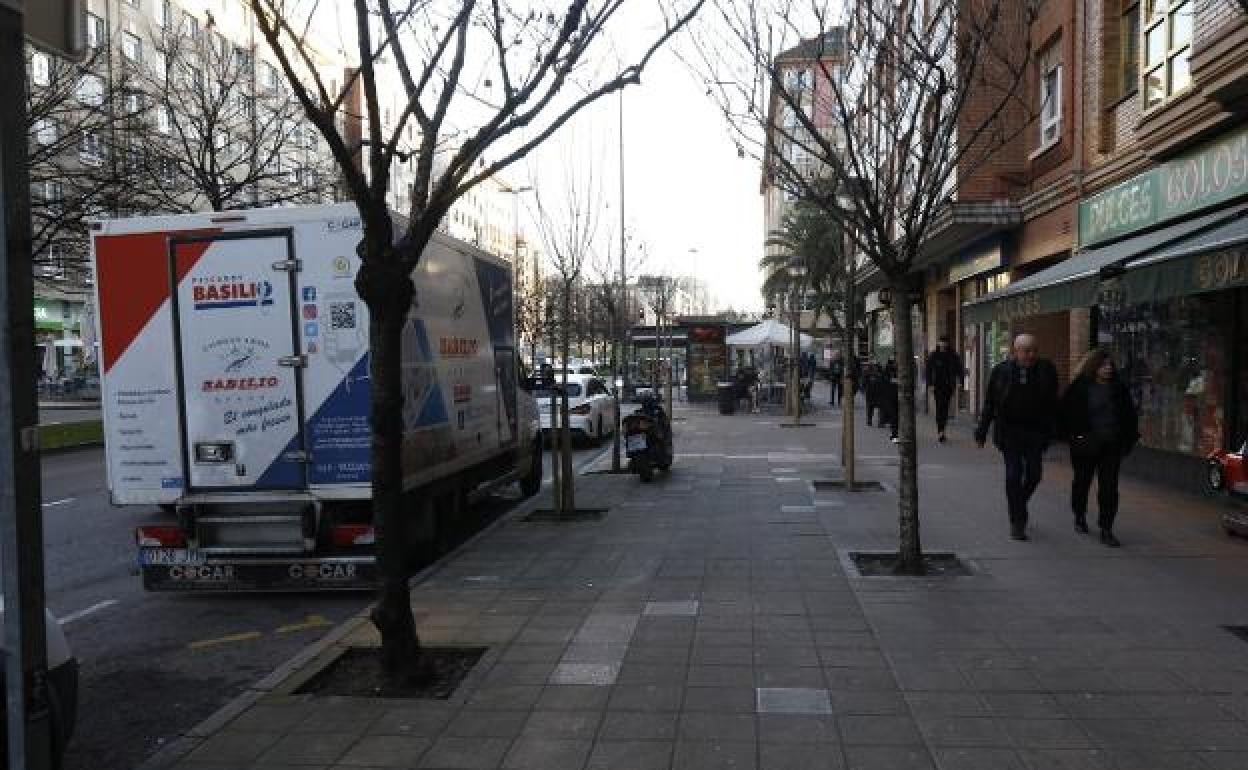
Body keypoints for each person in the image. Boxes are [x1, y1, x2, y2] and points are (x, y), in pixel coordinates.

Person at [974, 334, 1059, 541]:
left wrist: (1055, 430)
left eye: (1033, 350)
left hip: (1035, 432)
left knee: (1034, 475)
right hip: (1009, 431)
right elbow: (990, 403)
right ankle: (1017, 521)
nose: (1030, 355)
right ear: (1015, 351)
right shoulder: (1001, 371)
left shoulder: (1046, 369)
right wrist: (982, 431)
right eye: (1025, 350)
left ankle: (1018, 503)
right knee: (1013, 476)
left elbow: (1053, 402)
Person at [1058, 349, 1139, 547]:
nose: (1108, 369)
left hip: (1111, 445)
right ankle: (1079, 515)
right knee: (1082, 482)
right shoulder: (1080, 387)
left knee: (1109, 487)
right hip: (1086, 445)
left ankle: (1106, 528)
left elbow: (1129, 415)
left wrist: (1127, 440)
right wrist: (1075, 437)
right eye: (1103, 365)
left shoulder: (1118, 389)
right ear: (1094, 366)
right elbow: (1065, 413)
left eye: (1110, 365)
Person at [925, 336, 964, 443]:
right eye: (941, 342)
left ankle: (943, 430)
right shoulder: (934, 355)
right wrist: (930, 384)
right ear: (938, 343)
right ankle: (940, 432)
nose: (943, 344)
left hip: (948, 386)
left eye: (945, 342)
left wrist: (960, 381)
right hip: (937, 386)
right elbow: (928, 370)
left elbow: (959, 368)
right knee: (939, 407)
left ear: (947, 343)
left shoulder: (952, 355)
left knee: (945, 408)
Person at [863, 362, 882, 426]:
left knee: (878, 407)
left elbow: (864, 383)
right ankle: (870, 420)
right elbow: (864, 383)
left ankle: (879, 421)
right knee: (871, 407)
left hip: (877, 393)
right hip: (871, 393)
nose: (875, 367)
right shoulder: (868, 374)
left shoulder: (879, 374)